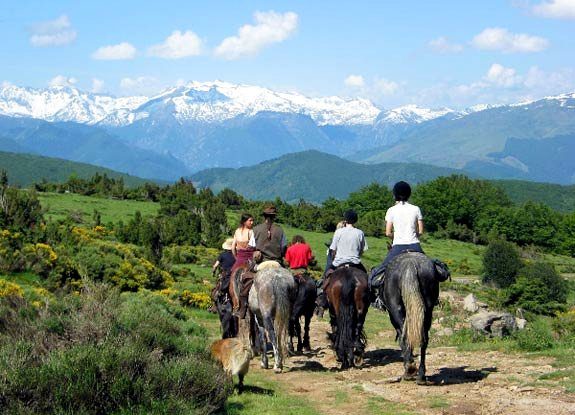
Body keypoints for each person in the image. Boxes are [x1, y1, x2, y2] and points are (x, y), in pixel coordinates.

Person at [369, 181, 424, 290]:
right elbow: (421, 231)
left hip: (398, 247)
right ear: (409, 194)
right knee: (433, 268)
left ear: (395, 194)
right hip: (415, 246)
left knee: (377, 273)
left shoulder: (391, 210)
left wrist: (397, 236)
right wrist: (413, 234)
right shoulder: (416, 209)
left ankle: (375, 297)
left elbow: (388, 233)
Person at [316, 210, 368, 314]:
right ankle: (371, 296)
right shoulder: (360, 232)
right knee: (367, 279)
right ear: (355, 220)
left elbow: (333, 248)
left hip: (338, 263)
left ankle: (322, 296)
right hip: (355, 263)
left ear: (345, 220)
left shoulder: (339, 232)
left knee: (326, 277)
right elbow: (362, 249)